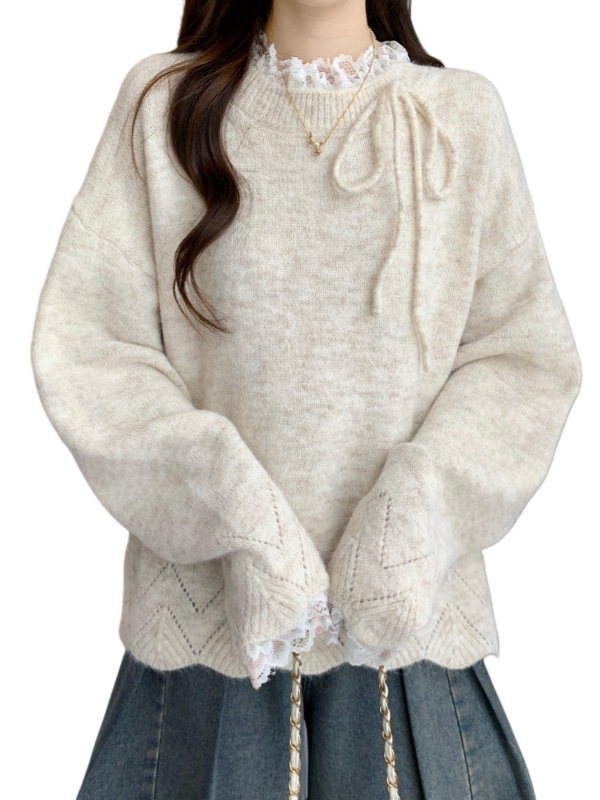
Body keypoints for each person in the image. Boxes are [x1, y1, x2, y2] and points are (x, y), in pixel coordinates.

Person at [30, 1, 582, 799]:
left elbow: (522, 360)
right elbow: (91, 352)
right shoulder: (165, 108)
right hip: (207, 666)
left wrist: (411, 520)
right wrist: (239, 515)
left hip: (410, 654)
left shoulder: (460, 117)